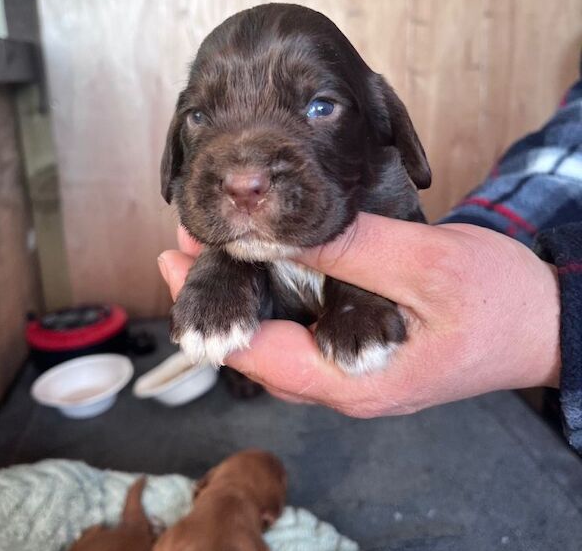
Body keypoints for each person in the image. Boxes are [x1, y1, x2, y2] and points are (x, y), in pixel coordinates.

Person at [158, 73, 582, 454]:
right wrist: (223, 267)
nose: (243, 177)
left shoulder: (381, 181)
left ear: (383, 122)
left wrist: (541, 323)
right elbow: (554, 171)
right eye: (200, 115)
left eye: (319, 107)